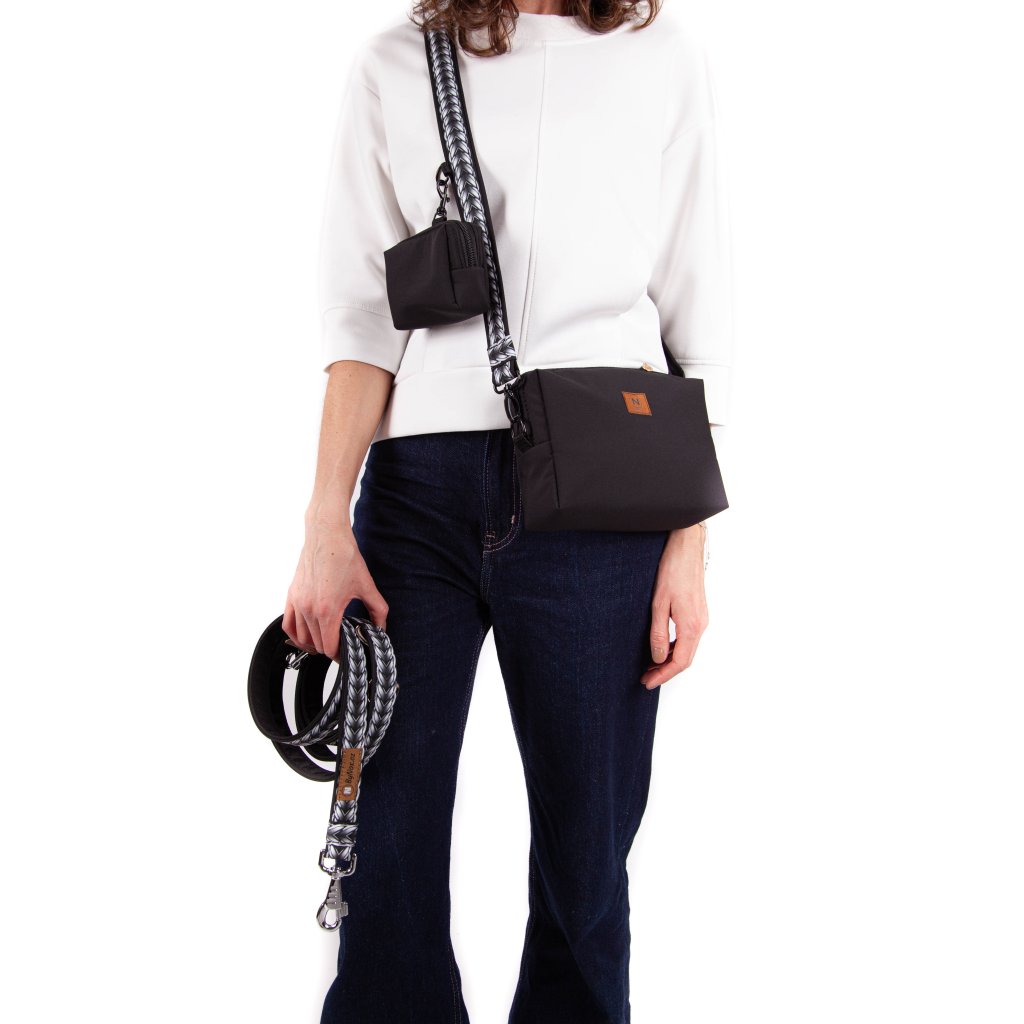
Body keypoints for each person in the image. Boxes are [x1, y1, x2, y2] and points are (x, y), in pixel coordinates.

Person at [284, 1, 735, 1021]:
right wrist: (324, 525)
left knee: (587, 857)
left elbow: (696, 314)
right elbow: (360, 321)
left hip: (604, 494)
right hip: (417, 493)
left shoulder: (659, 55)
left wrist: (689, 543)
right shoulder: (397, 61)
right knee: (385, 842)